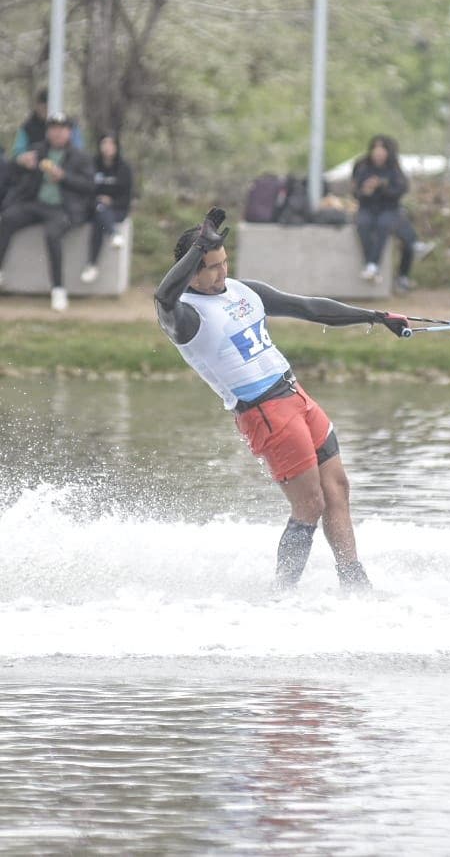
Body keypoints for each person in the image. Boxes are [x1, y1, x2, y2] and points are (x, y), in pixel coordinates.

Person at [154, 207, 411, 593]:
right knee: (310, 505)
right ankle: (283, 594)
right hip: (264, 412)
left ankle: (354, 584)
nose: (222, 272)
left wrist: (374, 316)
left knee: (337, 488)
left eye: (224, 262)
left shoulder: (244, 291)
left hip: (296, 395)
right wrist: (196, 251)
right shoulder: (186, 317)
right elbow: (162, 298)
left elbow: (307, 307)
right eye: (210, 267)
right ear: (191, 271)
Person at [0, 113, 95, 311]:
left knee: (53, 234)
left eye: (62, 129)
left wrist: (64, 177)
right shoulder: (38, 150)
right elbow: (10, 172)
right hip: (36, 203)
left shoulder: (80, 157)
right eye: (53, 129)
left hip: (62, 208)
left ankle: (58, 289)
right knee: (7, 219)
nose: (57, 133)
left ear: (69, 132)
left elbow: (88, 186)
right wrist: (20, 162)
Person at [352, 135, 409, 284]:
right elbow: (356, 191)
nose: (378, 152)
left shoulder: (394, 168)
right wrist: (365, 191)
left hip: (388, 208)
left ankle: (372, 265)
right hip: (367, 207)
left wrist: (382, 186)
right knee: (363, 225)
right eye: (375, 148)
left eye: (382, 148)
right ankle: (371, 264)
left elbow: (400, 190)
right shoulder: (362, 166)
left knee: (384, 225)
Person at [80, 132, 133, 283]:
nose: (107, 147)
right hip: (94, 207)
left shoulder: (124, 169)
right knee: (99, 211)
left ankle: (92, 265)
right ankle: (113, 234)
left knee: (100, 217)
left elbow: (126, 198)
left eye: (111, 144)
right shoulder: (92, 165)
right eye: (104, 143)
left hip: (117, 210)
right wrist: (99, 200)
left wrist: (111, 202)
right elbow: (85, 190)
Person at [11, 88, 84, 158]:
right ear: (37, 106)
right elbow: (18, 152)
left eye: (49, 107)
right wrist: (24, 157)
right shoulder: (28, 127)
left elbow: (78, 149)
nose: (46, 111)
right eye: (43, 108)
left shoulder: (70, 125)